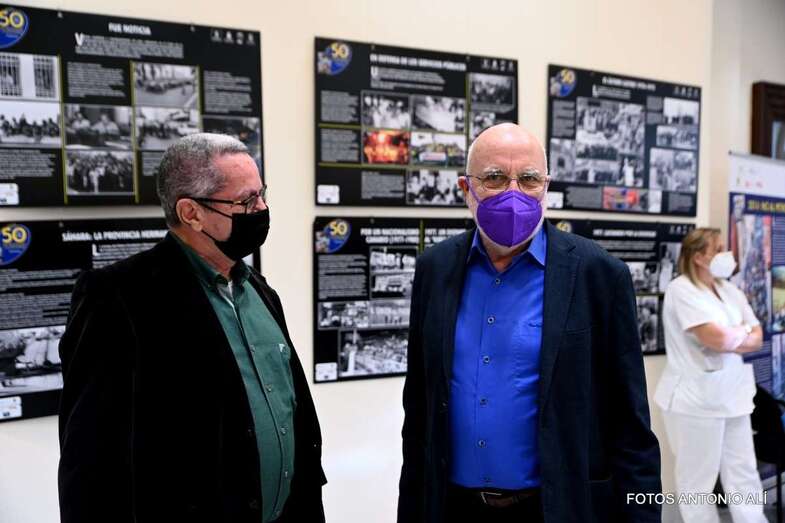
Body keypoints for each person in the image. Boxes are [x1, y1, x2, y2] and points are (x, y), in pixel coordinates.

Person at [398, 123, 661, 523]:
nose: (514, 193)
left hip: (556, 508)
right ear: (465, 188)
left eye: (529, 179)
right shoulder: (435, 269)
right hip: (453, 506)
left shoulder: (599, 275)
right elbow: (418, 409)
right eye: (494, 177)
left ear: (546, 186)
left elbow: (631, 426)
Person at [58, 133, 326, 523]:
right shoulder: (118, 297)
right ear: (191, 213)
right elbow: (90, 461)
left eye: (262, 194)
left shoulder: (258, 291)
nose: (262, 209)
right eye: (245, 201)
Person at [655, 227, 766, 523]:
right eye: (718, 249)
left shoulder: (729, 290)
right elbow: (715, 339)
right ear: (698, 257)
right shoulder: (681, 290)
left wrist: (736, 334)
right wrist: (740, 333)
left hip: (733, 396)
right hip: (694, 401)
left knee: (744, 472)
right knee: (697, 482)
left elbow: (757, 336)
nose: (726, 255)